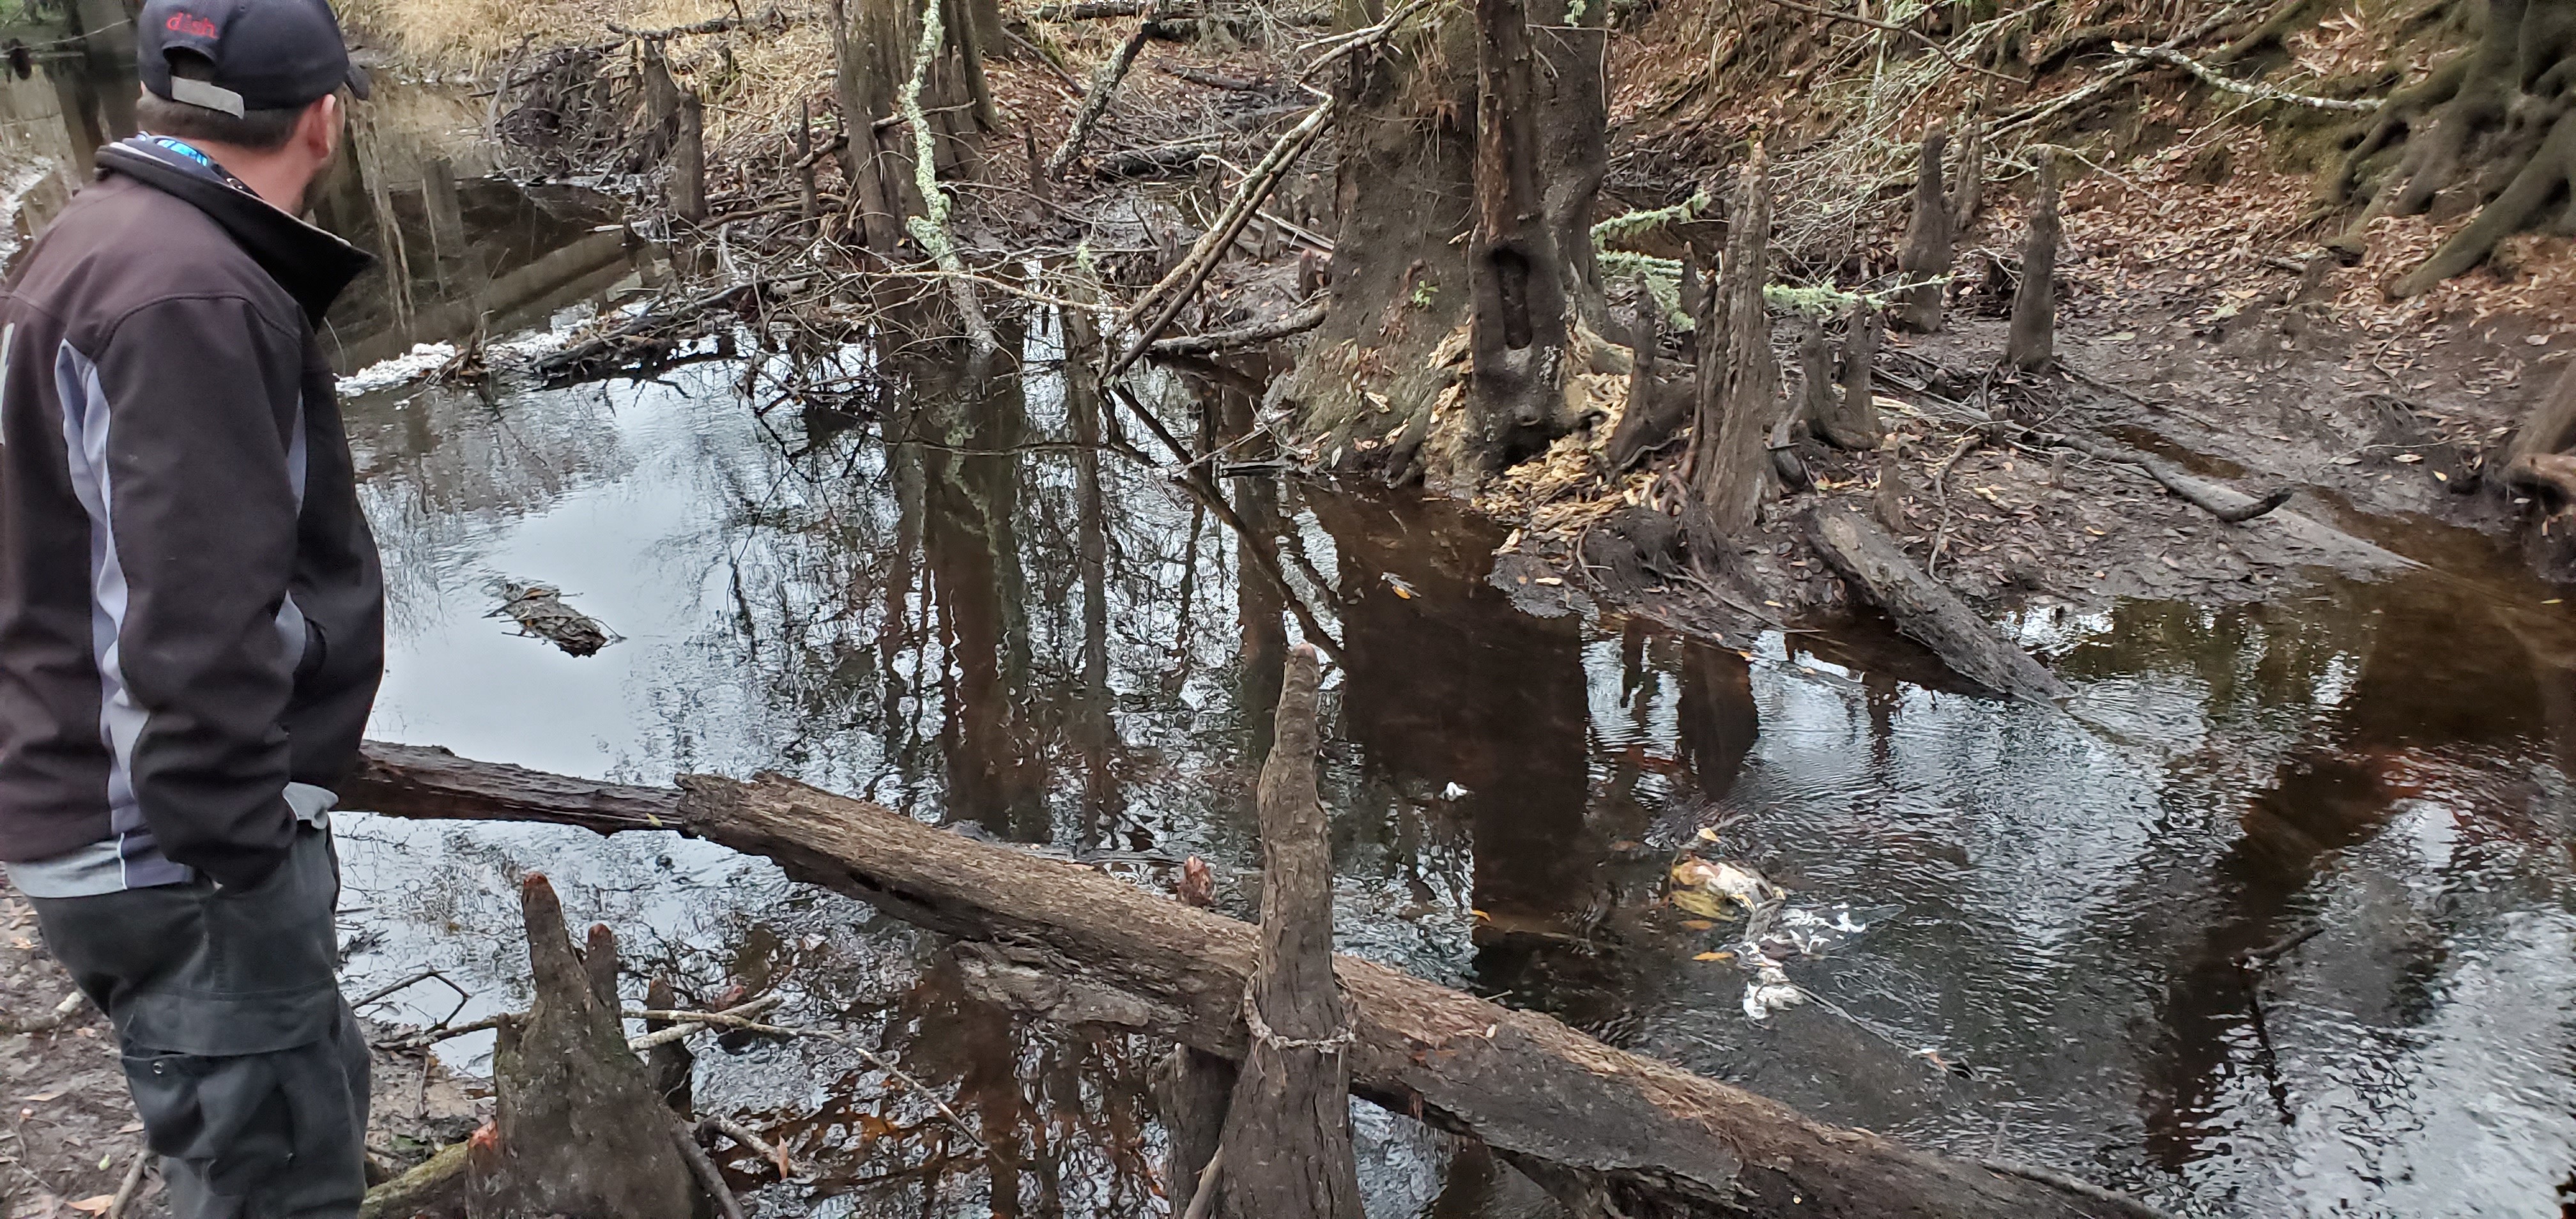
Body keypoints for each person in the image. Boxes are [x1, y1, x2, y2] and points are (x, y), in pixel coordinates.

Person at [0, 0, 386, 1214]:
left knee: (296, 1115)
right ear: (323, 120)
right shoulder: (194, 299)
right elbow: (189, 626)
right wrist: (239, 847)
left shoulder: (100, 239)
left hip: (111, 814)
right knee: (268, 1180)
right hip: (172, 850)